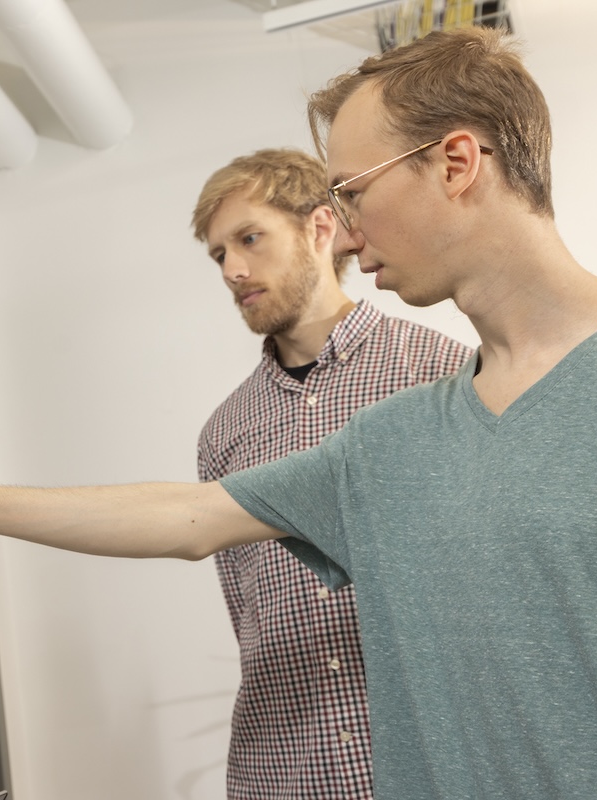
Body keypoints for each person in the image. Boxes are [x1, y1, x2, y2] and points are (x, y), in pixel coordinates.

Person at [0, 27, 597, 799]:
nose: (342, 225)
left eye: (351, 191)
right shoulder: (396, 439)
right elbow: (186, 518)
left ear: (456, 162)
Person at [191, 148, 471, 799]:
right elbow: (247, 618)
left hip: (438, 770)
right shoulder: (222, 436)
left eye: (249, 238)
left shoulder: (442, 373)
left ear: (320, 229)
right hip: (285, 777)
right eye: (218, 255)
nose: (233, 269)